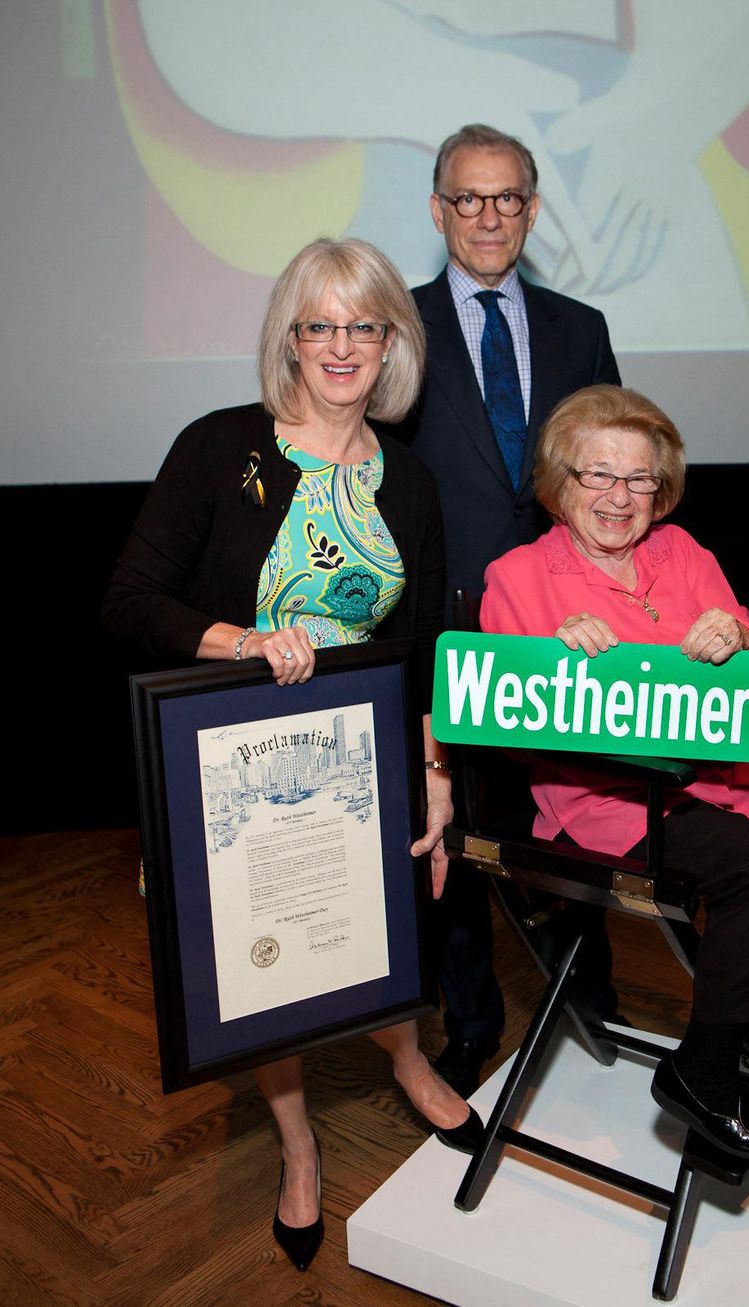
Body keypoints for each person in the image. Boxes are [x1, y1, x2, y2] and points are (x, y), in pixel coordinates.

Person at [103, 237, 482, 1273]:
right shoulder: (221, 448)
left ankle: (405, 1057)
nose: (341, 344)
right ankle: (299, 1140)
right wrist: (245, 641)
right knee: (269, 954)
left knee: (379, 918)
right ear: (289, 337)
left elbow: (434, 647)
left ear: (393, 340)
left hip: (364, 754)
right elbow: (131, 600)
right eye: (318, 323)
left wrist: (436, 771)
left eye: (364, 323)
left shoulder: (408, 478)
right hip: (233, 758)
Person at [480, 384, 749, 1159]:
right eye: (599, 475)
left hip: (723, 782)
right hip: (615, 804)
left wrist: (742, 633)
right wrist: (552, 655)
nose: (620, 497)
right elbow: (499, 704)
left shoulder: (683, 552)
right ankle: (707, 1071)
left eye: (639, 480)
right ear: (561, 482)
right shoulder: (519, 576)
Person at [389, 122, 622, 1096]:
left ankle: (590, 997)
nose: (487, 215)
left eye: (507, 198)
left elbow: (611, 475)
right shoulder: (391, 326)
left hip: (566, 625)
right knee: (452, 826)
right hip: (442, 622)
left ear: (532, 209)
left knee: (580, 811)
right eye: (467, 198)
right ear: (439, 209)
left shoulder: (580, 326)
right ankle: (471, 1019)